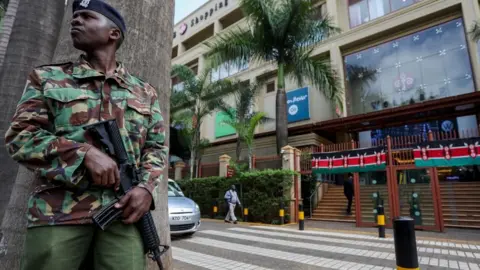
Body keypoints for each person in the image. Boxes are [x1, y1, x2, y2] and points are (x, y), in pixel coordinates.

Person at [4, 1, 168, 269]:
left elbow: (156, 149)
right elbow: (21, 137)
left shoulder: (144, 93)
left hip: (123, 213)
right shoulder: (47, 78)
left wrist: (146, 189)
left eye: (86, 16)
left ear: (113, 33)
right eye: (74, 16)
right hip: (58, 213)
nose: (75, 21)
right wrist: (83, 154)